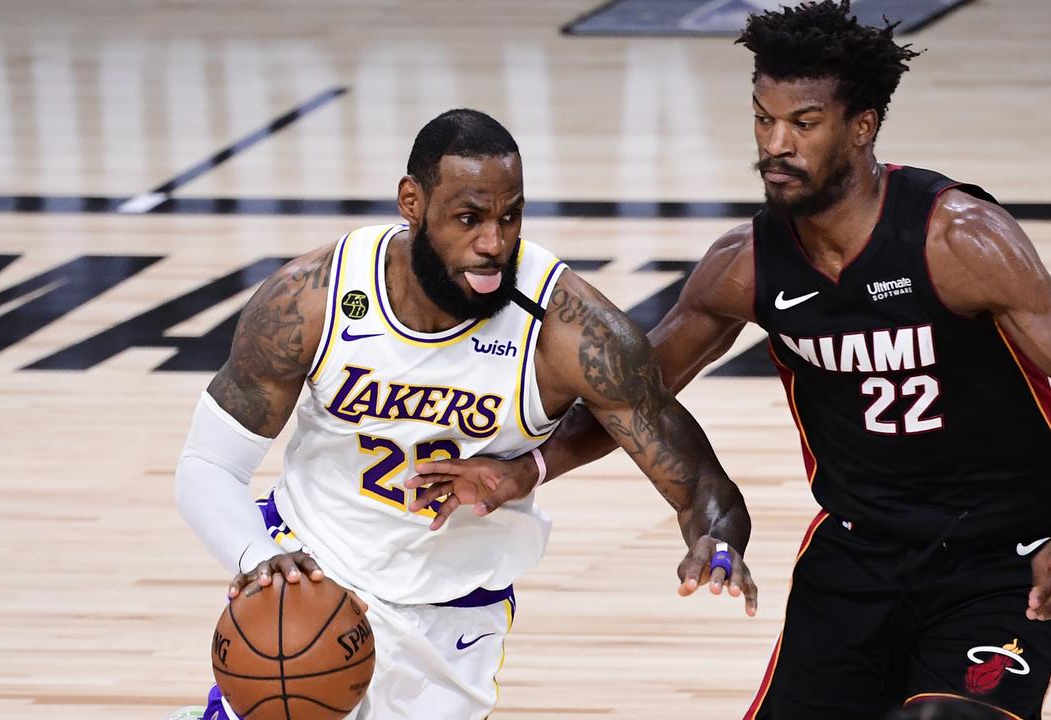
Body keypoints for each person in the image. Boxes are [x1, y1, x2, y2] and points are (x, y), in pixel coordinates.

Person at [405, 3, 1051, 719]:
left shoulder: (956, 239)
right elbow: (633, 398)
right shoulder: (745, 264)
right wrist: (523, 469)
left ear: (862, 128)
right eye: (764, 118)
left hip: (999, 556)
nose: (776, 143)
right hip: (858, 555)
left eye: (804, 123)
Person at [165, 108, 757, 720]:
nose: (494, 244)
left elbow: (701, 486)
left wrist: (717, 541)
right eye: (469, 218)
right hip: (315, 576)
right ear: (412, 202)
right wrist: (255, 559)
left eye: (510, 216)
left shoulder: (570, 328)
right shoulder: (313, 296)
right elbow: (209, 464)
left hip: (454, 612)